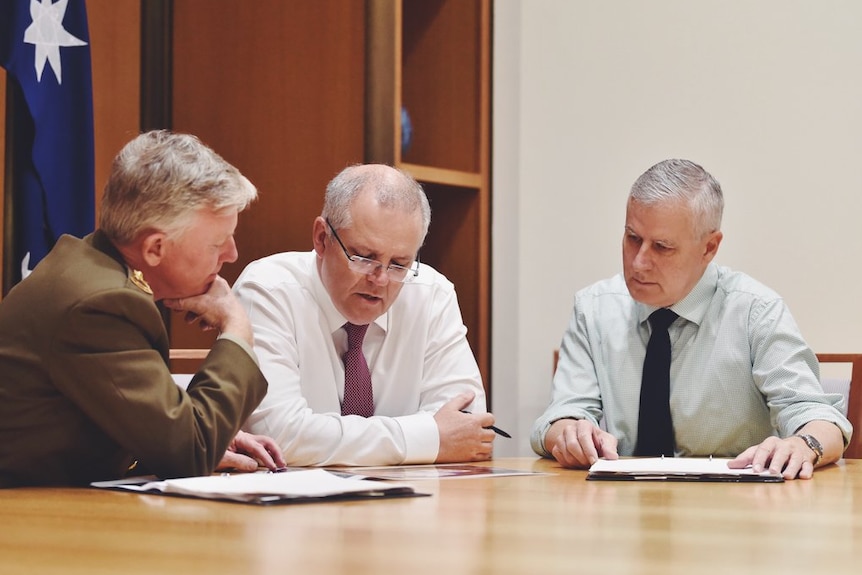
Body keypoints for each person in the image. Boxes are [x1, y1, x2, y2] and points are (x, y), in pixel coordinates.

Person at [531, 159, 851, 480]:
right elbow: (562, 414)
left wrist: (804, 442)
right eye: (632, 238)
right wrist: (569, 433)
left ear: (709, 247)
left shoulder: (756, 310)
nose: (639, 262)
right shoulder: (595, 308)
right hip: (622, 505)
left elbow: (818, 417)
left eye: (662, 247)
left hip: (734, 506)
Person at [0, 130, 285, 487]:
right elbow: (189, 452)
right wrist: (237, 330)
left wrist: (202, 432)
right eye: (217, 243)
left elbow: (139, 432)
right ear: (154, 249)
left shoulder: (90, 267)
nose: (232, 254)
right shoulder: (100, 305)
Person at [232, 163, 497, 466]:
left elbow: (466, 429)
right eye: (364, 257)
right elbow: (278, 436)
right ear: (321, 238)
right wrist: (427, 437)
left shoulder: (431, 293)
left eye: (399, 263)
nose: (380, 279)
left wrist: (432, 438)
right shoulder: (268, 290)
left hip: (410, 505)